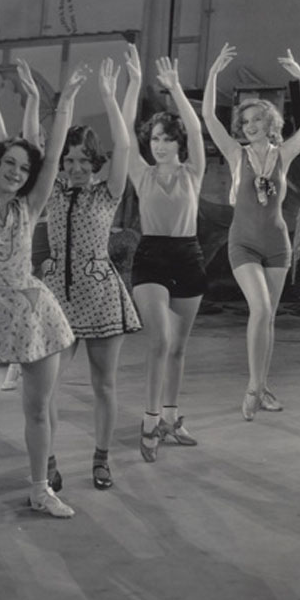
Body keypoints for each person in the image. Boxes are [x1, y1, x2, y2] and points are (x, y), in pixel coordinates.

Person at [0, 50, 88, 544]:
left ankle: (39, 487)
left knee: (37, 410)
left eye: (23, 168)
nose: (16, 171)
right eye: (9, 163)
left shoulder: (31, 205)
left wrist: (65, 103)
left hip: (33, 313)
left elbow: (52, 158)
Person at [202, 43, 300, 420]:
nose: (250, 126)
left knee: (268, 317)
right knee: (260, 309)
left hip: (277, 245)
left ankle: (263, 386)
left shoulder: (283, 154)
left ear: (270, 123)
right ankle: (254, 388)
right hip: (243, 244)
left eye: (257, 120)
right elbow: (208, 116)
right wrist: (213, 74)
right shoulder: (235, 154)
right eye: (246, 122)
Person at [41, 57, 141, 490]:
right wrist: (68, 99)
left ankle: (101, 458)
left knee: (105, 384)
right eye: (70, 159)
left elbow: (124, 147)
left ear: (94, 162)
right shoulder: (51, 191)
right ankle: (45, 459)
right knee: (46, 388)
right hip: (58, 297)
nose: (77, 166)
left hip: (100, 295)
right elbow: (45, 149)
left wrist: (107, 96)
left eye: (85, 159)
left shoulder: (108, 193)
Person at [123, 46, 207, 461]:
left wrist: (175, 90)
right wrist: (135, 85)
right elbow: (123, 135)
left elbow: (197, 131)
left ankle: (172, 419)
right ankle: (150, 421)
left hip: (188, 256)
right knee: (159, 341)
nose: (159, 145)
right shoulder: (142, 173)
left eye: (166, 139)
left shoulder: (194, 171)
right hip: (152, 257)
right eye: (154, 139)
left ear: (178, 143)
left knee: (178, 347)